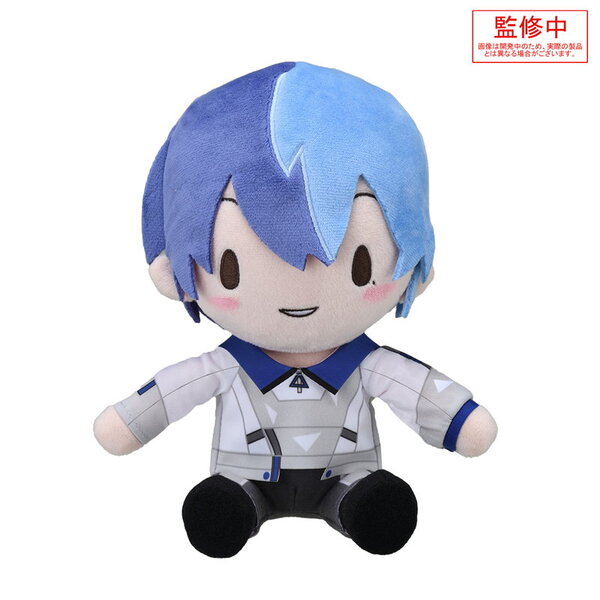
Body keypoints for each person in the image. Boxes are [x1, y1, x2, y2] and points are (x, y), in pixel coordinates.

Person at [94, 62, 497, 558]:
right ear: (170, 270)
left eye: (360, 264)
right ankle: (239, 506)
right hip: (246, 478)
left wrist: (461, 422)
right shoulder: (228, 366)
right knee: (223, 508)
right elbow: (170, 392)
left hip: (345, 475)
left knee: (374, 504)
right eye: (231, 270)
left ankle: (356, 505)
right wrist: (129, 423)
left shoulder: (367, 365)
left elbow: (423, 393)